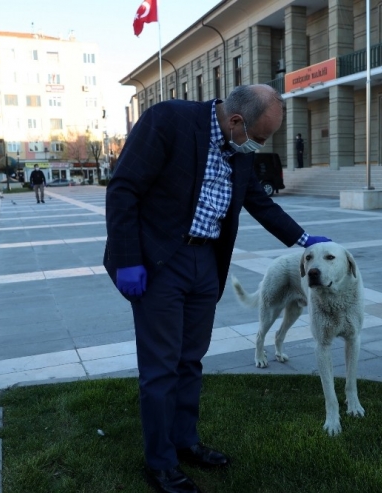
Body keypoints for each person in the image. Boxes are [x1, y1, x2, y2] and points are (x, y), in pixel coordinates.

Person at [104, 84, 331, 493]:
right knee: (160, 367)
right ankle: (160, 463)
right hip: (159, 262)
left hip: (205, 263)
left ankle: (184, 441)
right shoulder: (168, 120)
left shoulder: (237, 147)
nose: (259, 147)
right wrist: (127, 260)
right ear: (236, 121)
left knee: (191, 360)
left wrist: (304, 239)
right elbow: (123, 189)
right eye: (259, 138)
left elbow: (259, 202)